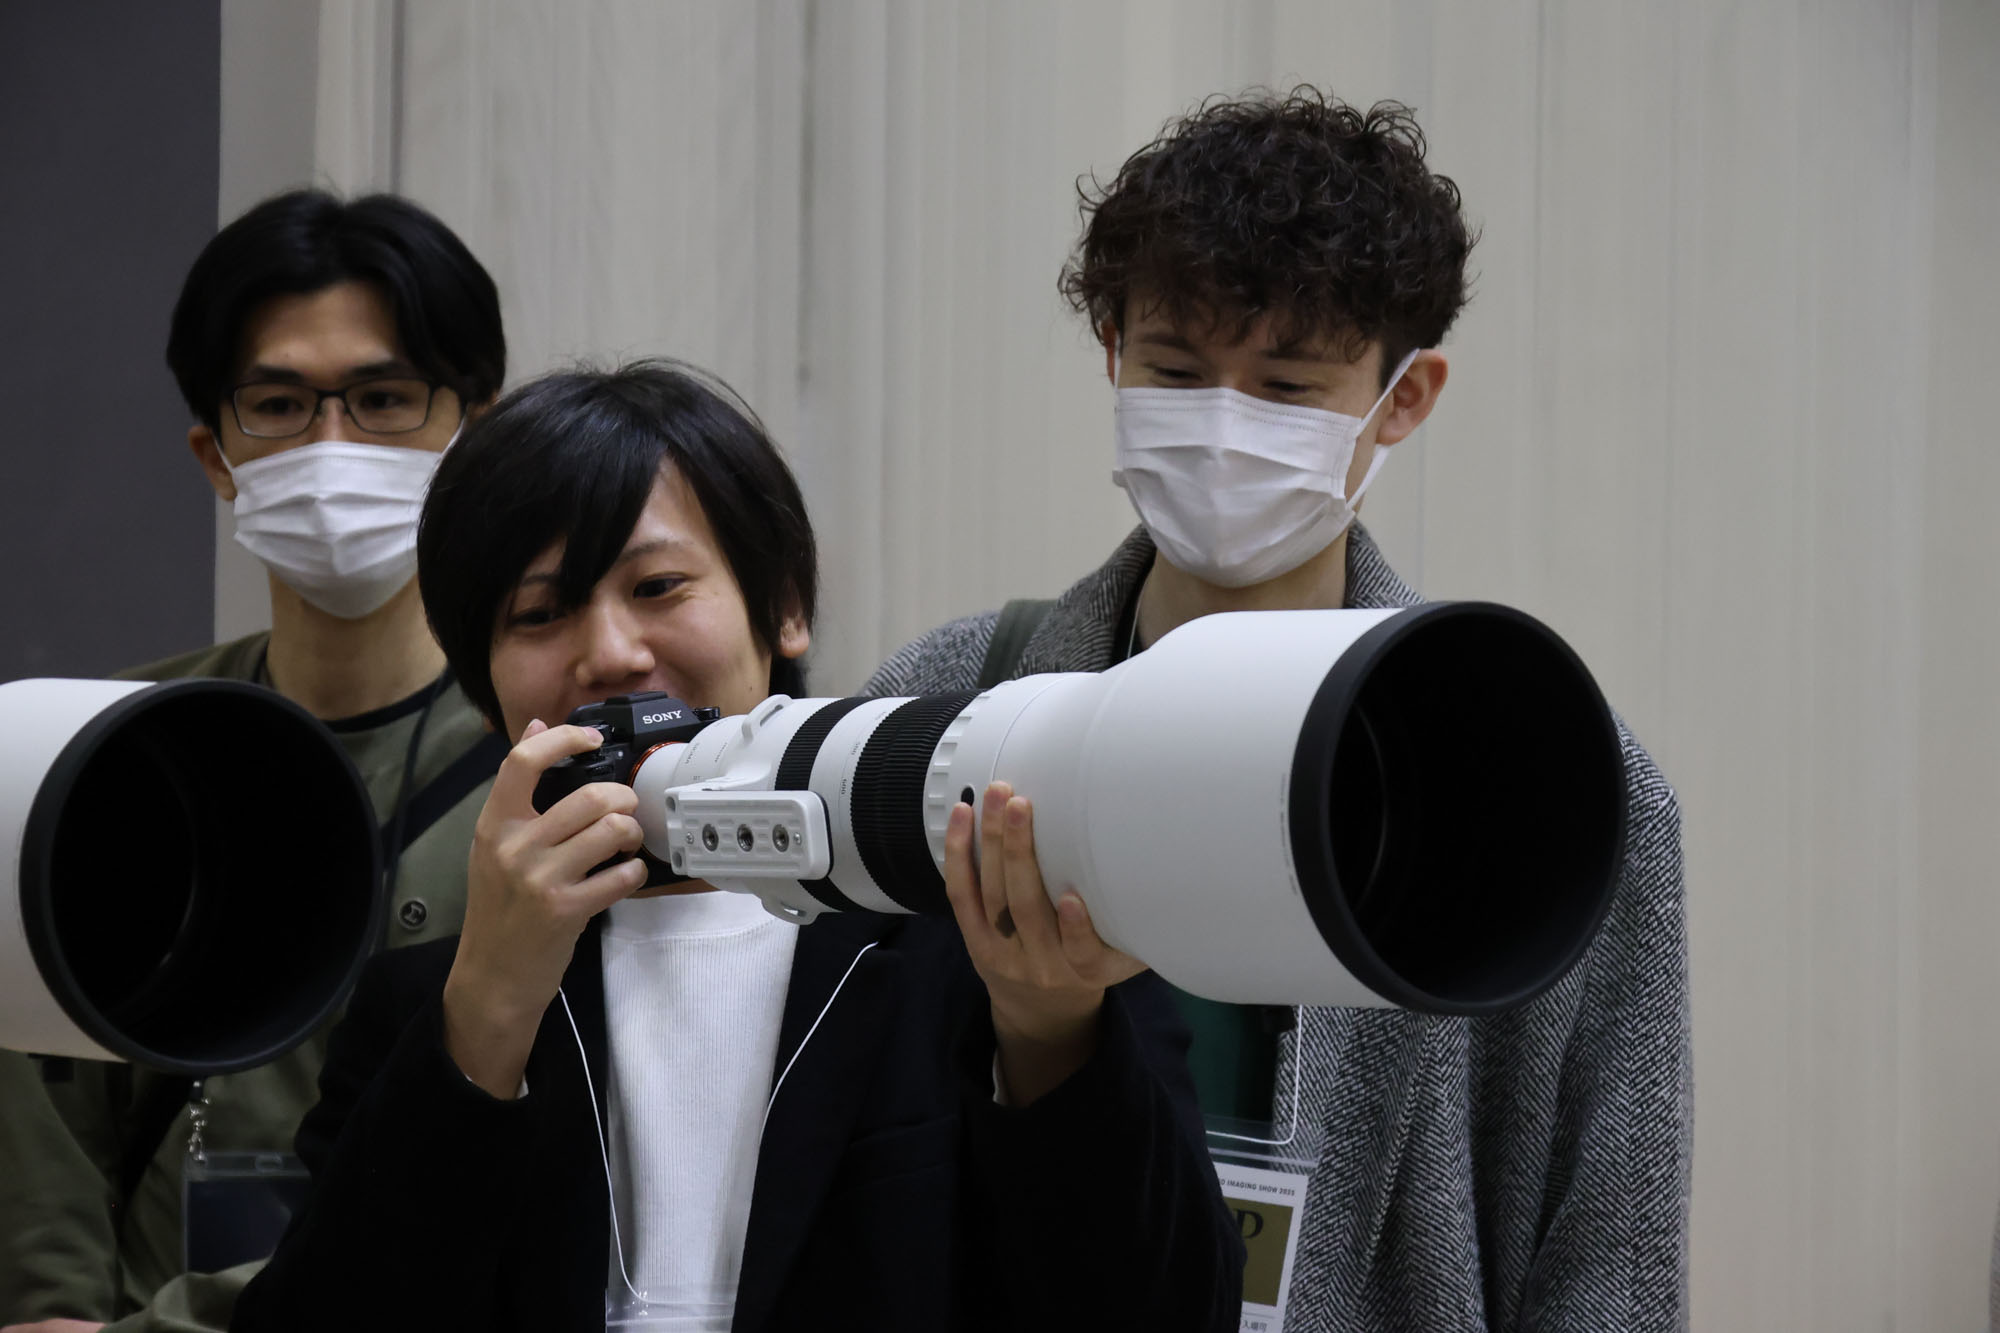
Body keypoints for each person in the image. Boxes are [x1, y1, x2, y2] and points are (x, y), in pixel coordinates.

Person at [864, 89, 1690, 1330]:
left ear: (1401, 398)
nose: (1220, 429)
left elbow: (1609, 1256)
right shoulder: (940, 705)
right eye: (1177, 372)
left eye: (1287, 387)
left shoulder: (1548, 785)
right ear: (1110, 350)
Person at [229, 360, 1243, 1332]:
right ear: (482, 682)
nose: (612, 653)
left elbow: (1163, 1310)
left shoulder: (976, 944)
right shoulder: (434, 1006)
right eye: (537, 614)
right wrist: (489, 1005)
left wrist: (1050, 1032)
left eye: (660, 586)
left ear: (784, 605)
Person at [0, 190, 510, 1333]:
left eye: (384, 399)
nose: (330, 448)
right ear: (217, 454)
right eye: (277, 403)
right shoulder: (105, 748)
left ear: (475, 429)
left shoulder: (544, 760)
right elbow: (39, 1113)